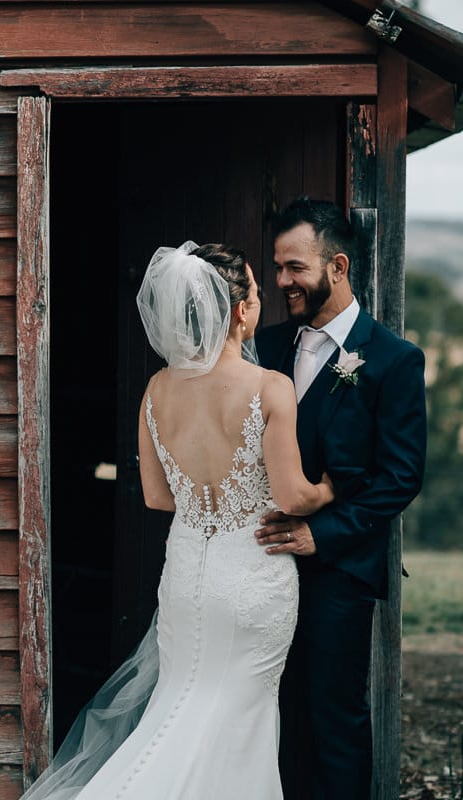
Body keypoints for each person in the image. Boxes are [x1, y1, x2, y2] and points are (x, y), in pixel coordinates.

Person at [23, 241, 335, 800]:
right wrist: (328, 489)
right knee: (239, 717)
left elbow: (157, 497)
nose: (263, 299)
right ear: (239, 310)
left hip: (186, 573)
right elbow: (291, 495)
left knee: (180, 703)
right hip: (251, 575)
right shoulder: (270, 387)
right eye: (257, 292)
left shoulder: (157, 389)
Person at [253, 197, 427, 800]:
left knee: (334, 720)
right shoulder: (265, 347)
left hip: (340, 572)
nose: (282, 281)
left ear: (338, 266)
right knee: (270, 719)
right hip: (260, 567)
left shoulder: (393, 361)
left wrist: (320, 533)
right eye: (277, 268)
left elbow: (399, 477)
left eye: (294, 267)